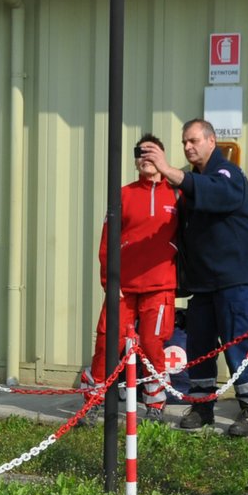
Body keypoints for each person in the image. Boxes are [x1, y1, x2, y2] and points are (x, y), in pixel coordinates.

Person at [140, 119, 248, 437]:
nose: (188, 147)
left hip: (235, 279)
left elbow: (214, 193)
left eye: (193, 140)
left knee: (239, 342)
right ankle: (201, 406)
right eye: (184, 142)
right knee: (199, 345)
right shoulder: (190, 182)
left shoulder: (227, 175)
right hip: (203, 282)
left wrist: (168, 170)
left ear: (211, 140)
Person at [80, 133, 179, 420]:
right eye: (140, 153)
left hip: (160, 286)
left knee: (151, 343)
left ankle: (156, 404)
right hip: (123, 287)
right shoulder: (122, 194)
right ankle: (93, 400)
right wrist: (109, 282)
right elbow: (106, 243)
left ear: (162, 157)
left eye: (152, 153)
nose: (145, 158)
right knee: (108, 341)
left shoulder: (177, 194)